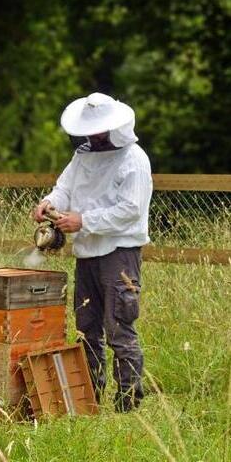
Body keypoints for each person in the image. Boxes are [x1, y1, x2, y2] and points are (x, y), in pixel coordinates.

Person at [33, 92, 152, 412]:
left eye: (99, 131)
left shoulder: (134, 159)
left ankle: (128, 405)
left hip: (119, 253)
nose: (93, 137)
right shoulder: (83, 156)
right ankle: (90, 400)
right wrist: (49, 203)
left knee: (119, 329)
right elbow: (65, 188)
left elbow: (130, 209)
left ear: (115, 127)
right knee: (87, 329)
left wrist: (83, 220)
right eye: (90, 130)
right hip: (87, 254)